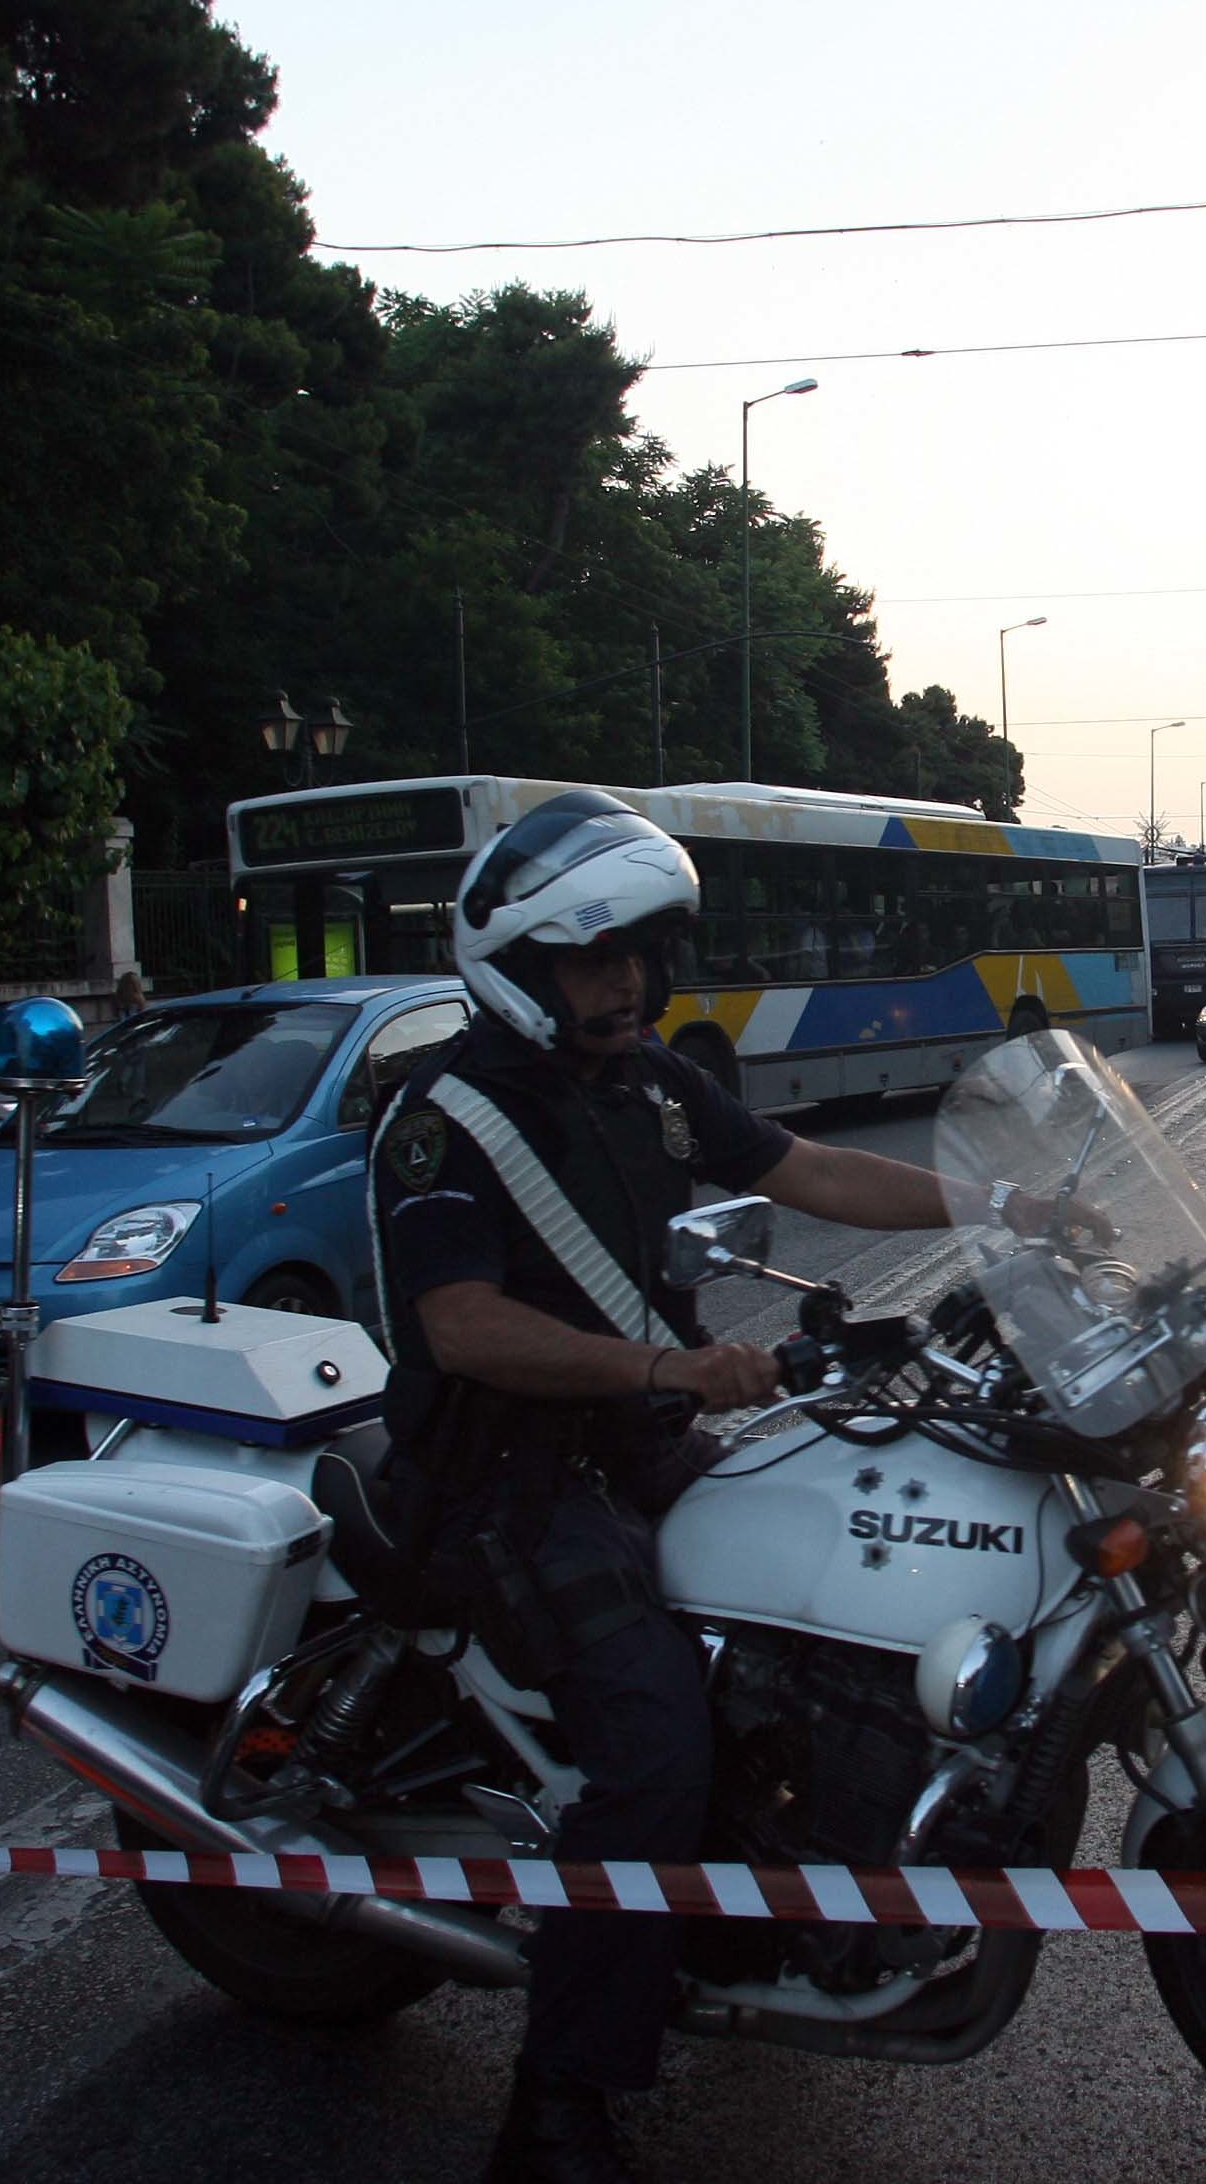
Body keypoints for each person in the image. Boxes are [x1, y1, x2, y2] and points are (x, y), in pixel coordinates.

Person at [368, 791, 1034, 2184]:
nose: (627, 983)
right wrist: (668, 1373)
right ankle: (556, 2106)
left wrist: (999, 1206)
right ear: (522, 962)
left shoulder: (655, 1089)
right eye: (594, 960)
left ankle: (762, 1900)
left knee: (825, 1585)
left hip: (636, 1454)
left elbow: (812, 1168)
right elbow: (461, 1327)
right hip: (506, 1486)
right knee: (658, 1741)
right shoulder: (447, 1118)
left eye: (641, 956)